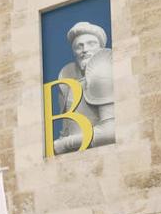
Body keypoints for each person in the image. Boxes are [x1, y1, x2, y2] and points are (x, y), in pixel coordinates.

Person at [49, 21, 115, 154]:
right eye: (79, 46)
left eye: (91, 44)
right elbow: (66, 130)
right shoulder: (68, 84)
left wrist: (66, 143)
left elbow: (111, 131)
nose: (85, 50)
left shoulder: (102, 75)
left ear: (100, 47)